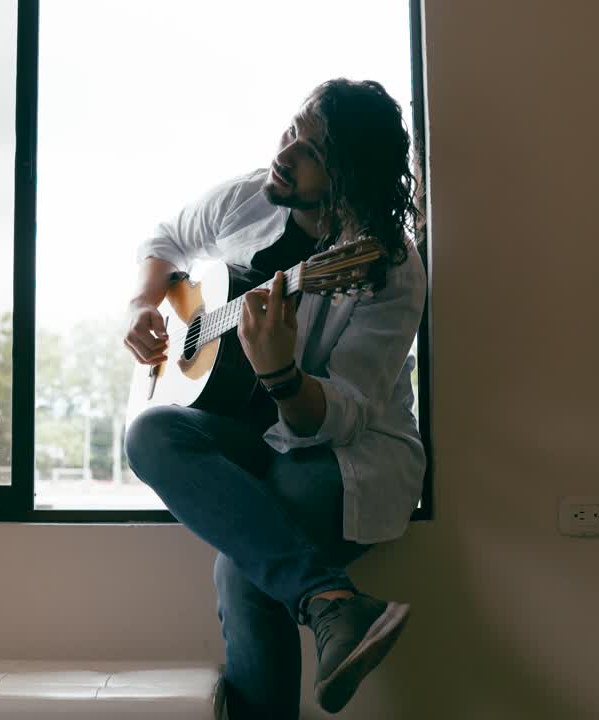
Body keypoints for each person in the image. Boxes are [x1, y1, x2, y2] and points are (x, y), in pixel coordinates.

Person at [122, 78, 428, 718]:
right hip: (250, 436)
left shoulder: (385, 269)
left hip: (346, 458)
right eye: (292, 131)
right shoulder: (247, 199)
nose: (285, 154)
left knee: (244, 569)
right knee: (150, 433)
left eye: (311, 150)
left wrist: (281, 374)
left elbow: (343, 416)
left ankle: (321, 602)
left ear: (347, 176)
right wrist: (146, 304)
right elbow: (168, 239)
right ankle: (331, 602)